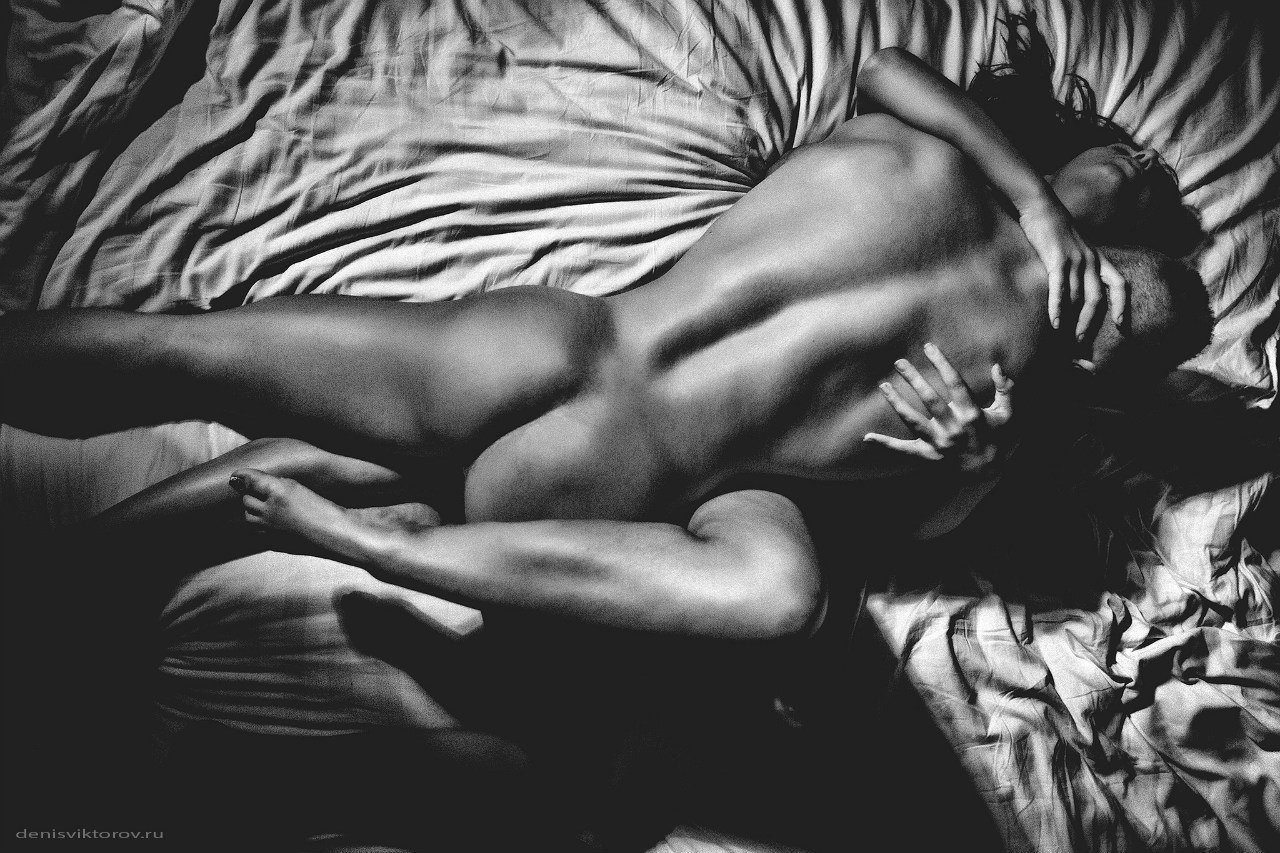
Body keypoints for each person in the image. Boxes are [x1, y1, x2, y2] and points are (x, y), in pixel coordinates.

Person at [1, 29, 1213, 851]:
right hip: (600, 438)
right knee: (184, 355)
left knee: (182, 353)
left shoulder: (965, 275)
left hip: (570, 391)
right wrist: (1039, 213)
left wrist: (974, 459)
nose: (1137, 174)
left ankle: (194, 695)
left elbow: (904, 526)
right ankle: (191, 641)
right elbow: (894, 67)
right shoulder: (940, 180)